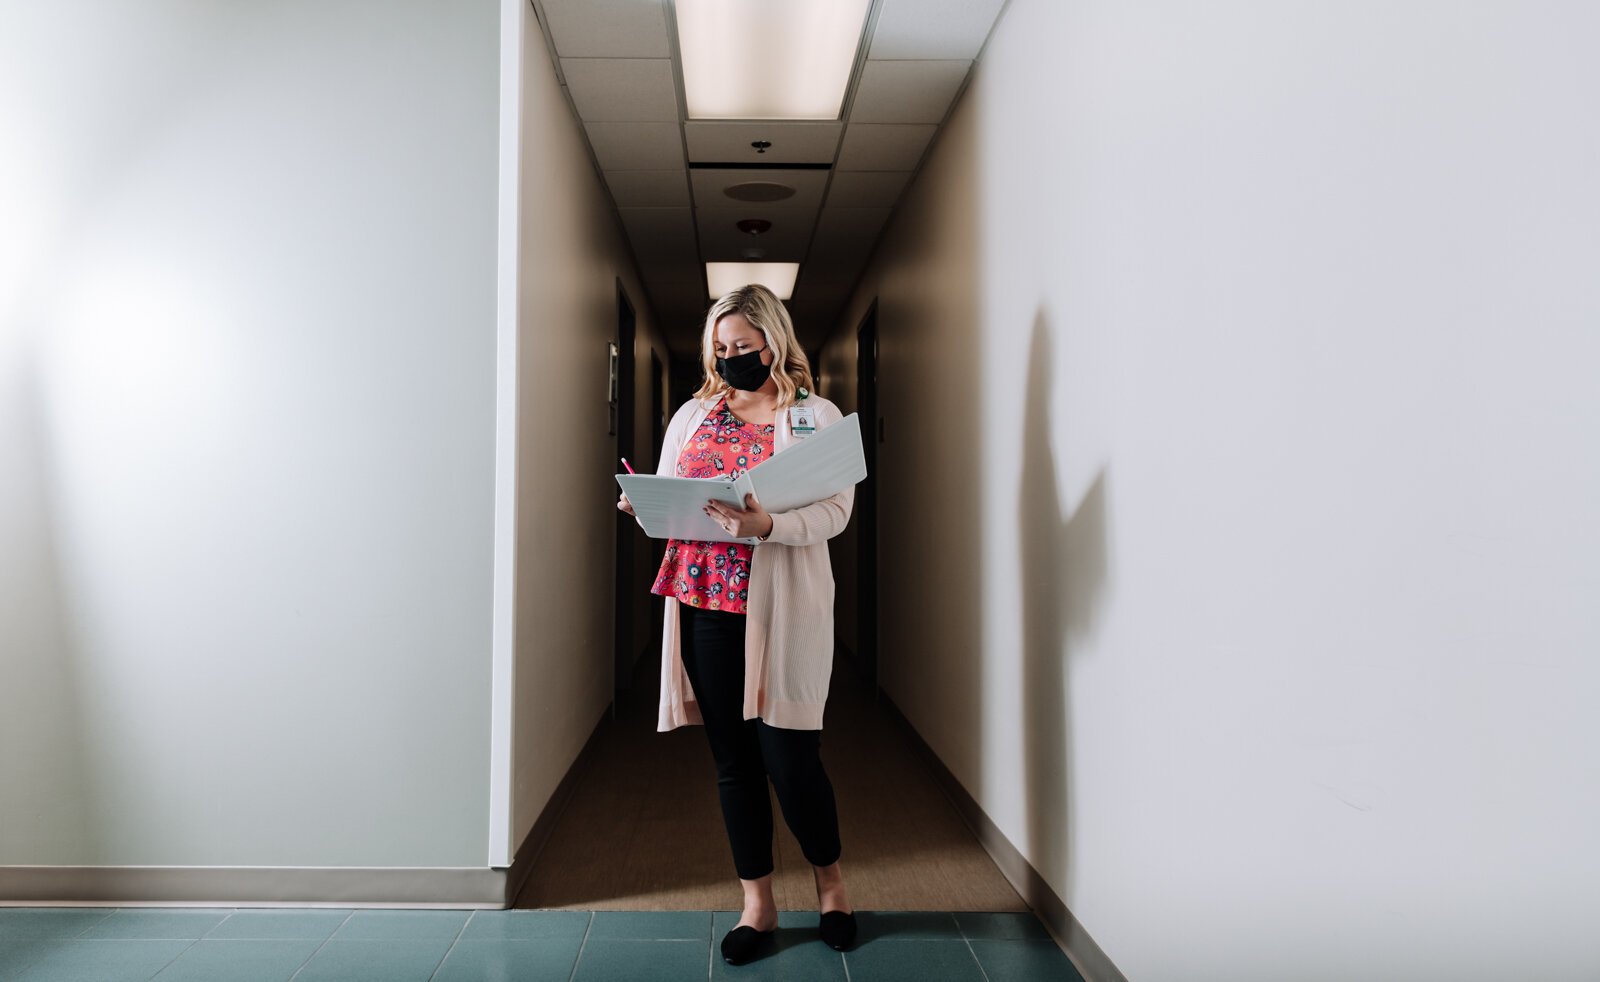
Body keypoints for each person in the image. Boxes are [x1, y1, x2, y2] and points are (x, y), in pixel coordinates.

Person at [617, 284, 857, 965]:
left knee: (791, 758)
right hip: (706, 605)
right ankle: (758, 903)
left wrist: (768, 525)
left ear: (774, 342)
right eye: (719, 349)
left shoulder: (816, 415)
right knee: (735, 762)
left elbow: (836, 512)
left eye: (742, 348)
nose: (729, 361)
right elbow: (673, 493)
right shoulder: (694, 414)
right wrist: (649, 507)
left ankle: (832, 887)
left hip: (780, 605)